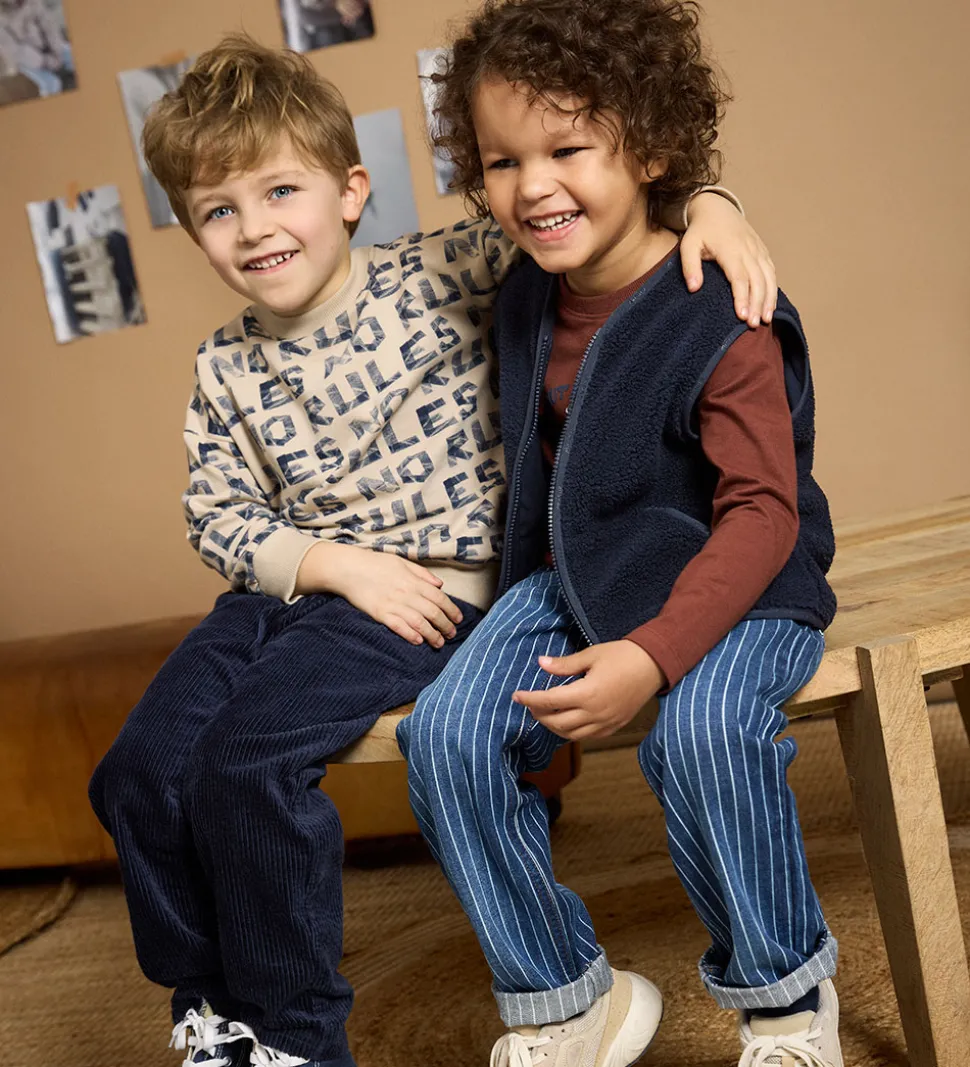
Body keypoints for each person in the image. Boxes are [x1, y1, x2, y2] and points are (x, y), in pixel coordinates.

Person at [87, 31, 778, 1067]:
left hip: (421, 597)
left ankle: (296, 1036)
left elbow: (585, 218)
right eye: (218, 210)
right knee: (136, 770)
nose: (254, 227)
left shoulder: (448, 269)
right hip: (293, 593)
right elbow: (217, 514)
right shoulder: (223, 363)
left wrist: (712, 205)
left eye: (280, 191)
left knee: (244, 763)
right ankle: (213, 1005)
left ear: (350, 190)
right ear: (193, 230)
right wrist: (329, 563)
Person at [397, 2, 842, 1066]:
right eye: (502, 161)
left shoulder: (720, 307)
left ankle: (787, 1005)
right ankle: (564, 1002)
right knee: (444, 734)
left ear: (648, 148)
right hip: (576, 577)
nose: (532, 186)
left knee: (704, 734)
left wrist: (652, 654)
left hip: (740, 579)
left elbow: (763, 512)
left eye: (567, 150)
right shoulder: (523, 289)